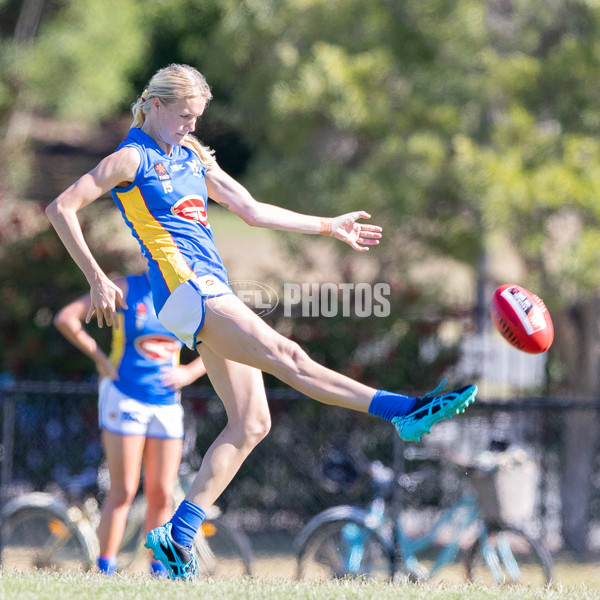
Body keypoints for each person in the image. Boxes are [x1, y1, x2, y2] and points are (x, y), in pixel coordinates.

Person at [46, 63, 477, 580]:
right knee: (289, 356)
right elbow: (60, 207)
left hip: (211, 291)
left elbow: (250, 209)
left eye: (197, 118)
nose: (190, 125)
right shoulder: (130, 158)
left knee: (252, 422)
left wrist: (328, 225)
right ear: (156, 106)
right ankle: (404, 411)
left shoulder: (193, 158)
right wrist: (96, 277)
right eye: (184, 115)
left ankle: (177, 533)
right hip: (188, 293)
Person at [54, 271, 207, 576]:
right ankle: (105, 569)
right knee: (123, 489)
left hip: (166, 404)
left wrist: (190, 373)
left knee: (162, 493)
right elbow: (66, 318)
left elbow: (223, 342)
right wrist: (99, 357)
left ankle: (159, 570)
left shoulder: (189, 293)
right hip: (126, 397)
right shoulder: (125, 288)